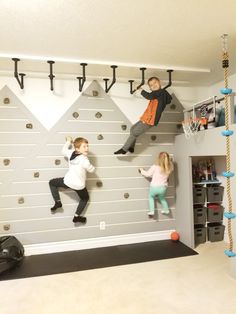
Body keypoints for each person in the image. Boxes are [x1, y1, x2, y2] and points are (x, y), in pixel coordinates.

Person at [114, 77, 172, 155]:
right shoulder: (159, 95)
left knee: (134, 132)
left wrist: (140, 89)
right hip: (147, 117)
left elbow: (149, 96)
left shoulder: (161, 92)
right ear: (150, 88)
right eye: (151, 85)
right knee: (132, 129)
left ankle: (124, 149)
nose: (154, 85)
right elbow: (166, 100)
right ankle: (131, 147)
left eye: (155, 83)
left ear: (159, 82)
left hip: (150, 118)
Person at [49, 137, 95, 224]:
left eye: (87, 146)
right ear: (77, 148)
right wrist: (92, 167)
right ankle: (76, 217)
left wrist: (68, 141)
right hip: (79, 186)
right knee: (85, 198)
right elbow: (91, 170)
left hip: (68, 182)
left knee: (52, 183)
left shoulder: (71, 153)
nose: (87, 148)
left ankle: (57, 202)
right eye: (84, 147)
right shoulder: (84, 160)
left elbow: (63, 150)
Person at [139, 152, 173, 217]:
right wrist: (170, 160)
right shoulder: (169, 168)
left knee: (151, 197)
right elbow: (169, 165)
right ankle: (166, 210)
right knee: (162, 198)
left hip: (154, 187)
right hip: (163, 188)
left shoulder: (155, 166)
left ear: (159, 158)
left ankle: (152, 211)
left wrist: (141, 171)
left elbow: (148, 174)